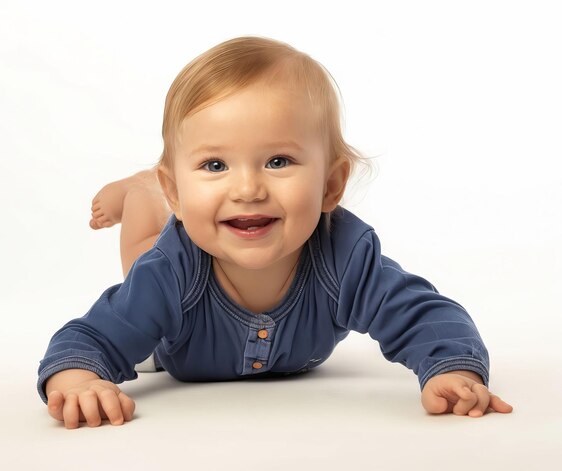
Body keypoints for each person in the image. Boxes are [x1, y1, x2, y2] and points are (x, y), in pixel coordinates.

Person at [38, 36, 513, 429]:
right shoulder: (170, 274)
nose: (248, 189)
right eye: (215, 164)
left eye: (278, 161)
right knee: (143, 250)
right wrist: (79, 381)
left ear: (331, 185)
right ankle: (145, 194)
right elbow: (89, 339)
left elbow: (424, 315)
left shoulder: (345, 258)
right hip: (172, 331)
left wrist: (451, 369)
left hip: (197, 223)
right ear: (178, 192)